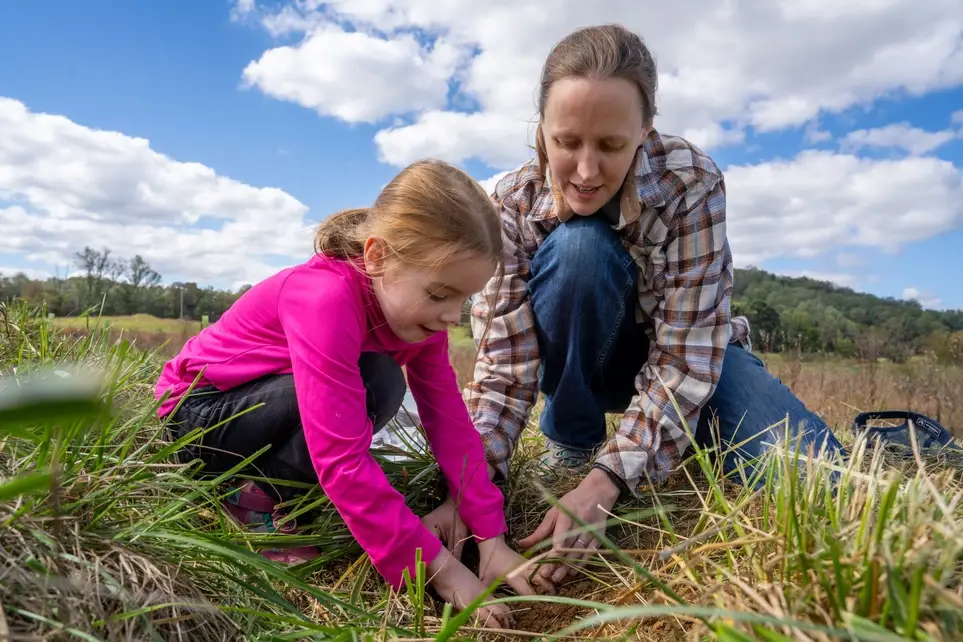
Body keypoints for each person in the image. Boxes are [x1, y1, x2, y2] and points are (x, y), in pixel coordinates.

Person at [447, 24, 845, 592]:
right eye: (566, 143)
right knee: (579, 246)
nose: (586, 171)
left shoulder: (693, 182)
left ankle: (629, 453)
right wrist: (472, 487)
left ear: (645, 131)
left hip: (688, 360)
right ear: (540, 131)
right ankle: (571, 439)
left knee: (812, 480)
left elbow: (686, 355)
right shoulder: (509, 204)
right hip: (581, 364)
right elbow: (503, 370)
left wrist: (608, 481)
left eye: (610, 145)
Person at [155, 159, 532, 628]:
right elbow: (341, 456)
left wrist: (490, 535)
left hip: (264, 406)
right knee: (373, 380)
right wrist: (439, 568)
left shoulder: (420, 323)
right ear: (376, 256)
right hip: (195, 419)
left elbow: (450, 423)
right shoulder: (324, 298)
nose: (452, 317)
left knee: (379, 380)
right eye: (439, 294)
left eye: (464, 299)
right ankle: (251, 497)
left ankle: (277, 486)